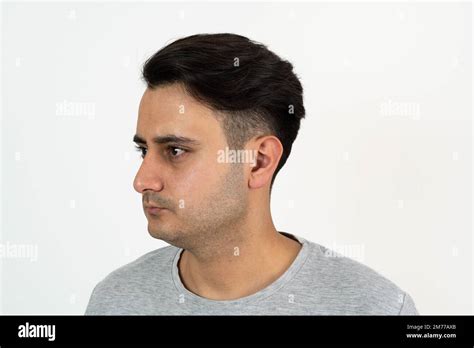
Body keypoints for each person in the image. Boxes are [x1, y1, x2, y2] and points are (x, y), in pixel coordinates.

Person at [85, 33, 418, 315]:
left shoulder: (377, 308)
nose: (142, 181)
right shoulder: (114, 301)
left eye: (175, 151)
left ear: (258, 161)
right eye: (144, 150)